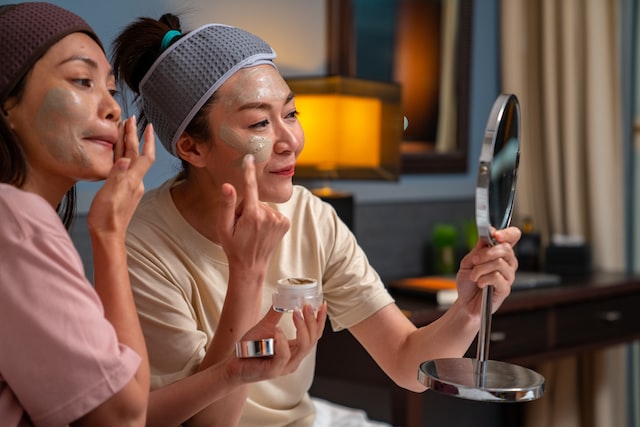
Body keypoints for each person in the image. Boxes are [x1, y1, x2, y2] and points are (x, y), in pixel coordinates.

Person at [111, 12, 522, 427]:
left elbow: (405, 361)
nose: (291, 141)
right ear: (192, 148)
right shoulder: (144, 244)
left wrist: (468, 311)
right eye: (259, 123)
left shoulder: (312, 217)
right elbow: (208, 425)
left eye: (290, 114)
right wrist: (248, 271)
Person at [0, 3, 321, 427]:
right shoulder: (16, 221)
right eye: (82, 81)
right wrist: (112, 231)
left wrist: (233, 372)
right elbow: (123, 414)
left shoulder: (23, 221)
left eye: (112, 92)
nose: (114, 110)